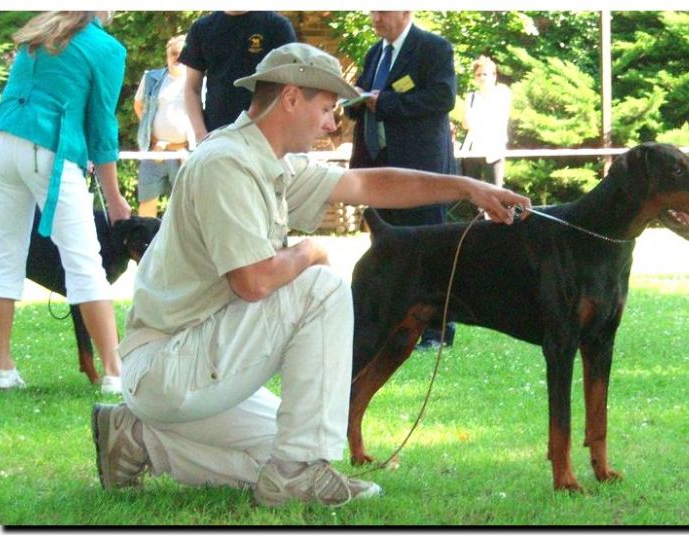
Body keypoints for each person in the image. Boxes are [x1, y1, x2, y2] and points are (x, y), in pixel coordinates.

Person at [91, 43, 532, 508]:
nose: (332, 124)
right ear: (290, 98)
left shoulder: (267, 160)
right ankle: (300, 471)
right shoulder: (227, 163)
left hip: (184, 366)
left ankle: (135, 437)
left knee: (280, 447)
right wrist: (311, 251)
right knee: (322, 288)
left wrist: (467, 187)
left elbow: (366, 184)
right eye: (326, 109)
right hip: (167, 365)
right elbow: (253, 281)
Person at [0, 11, 131, 395]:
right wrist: (114, 199)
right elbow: (102, 128)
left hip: (2, 141)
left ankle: (0, 367)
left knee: (3, 258)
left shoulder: (40, 30)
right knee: (85, 262)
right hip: (49, 147)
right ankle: (116, 372)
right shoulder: (106, 47)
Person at [347, 11, 457, 350]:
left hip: (420, 171)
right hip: (378, 166)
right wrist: (352, 98)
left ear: (406, 11)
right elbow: (362, 102)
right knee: (387, 247)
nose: (375, 16)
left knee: (430, 248)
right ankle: (392, 320)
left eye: (383, 9)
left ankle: (438, 331)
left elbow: (443, 97)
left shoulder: (433, 48)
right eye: (372, 10)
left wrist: (384, 102)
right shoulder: (374, 52)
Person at [179, 11, 296, 143]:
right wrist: (200, 134)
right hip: (216, 135)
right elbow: (192, 88)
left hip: (264, 135)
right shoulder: (201, 28)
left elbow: (289, 83)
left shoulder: (277, 25)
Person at [133, 34, 195, 218]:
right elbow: (138, 105)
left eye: (182, 53)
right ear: (167, 55)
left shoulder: (197, 81)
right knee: (146, 203)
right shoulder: (151, 78)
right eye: (173, 53)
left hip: (185, 152)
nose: (177, 57)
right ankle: (146, 236)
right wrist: (150, 134)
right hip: (155, 149)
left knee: (185, 206)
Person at [460, 56, 512, 188]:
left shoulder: (502, 94)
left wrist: (476, 121)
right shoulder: (471, 97)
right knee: (470, 191)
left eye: (485, 74)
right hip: (472, 151)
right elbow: (465, 123)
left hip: (494, 150)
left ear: (494, 76)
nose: (482, 77)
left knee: (495, 191)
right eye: (478, 74)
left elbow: (498, 120)